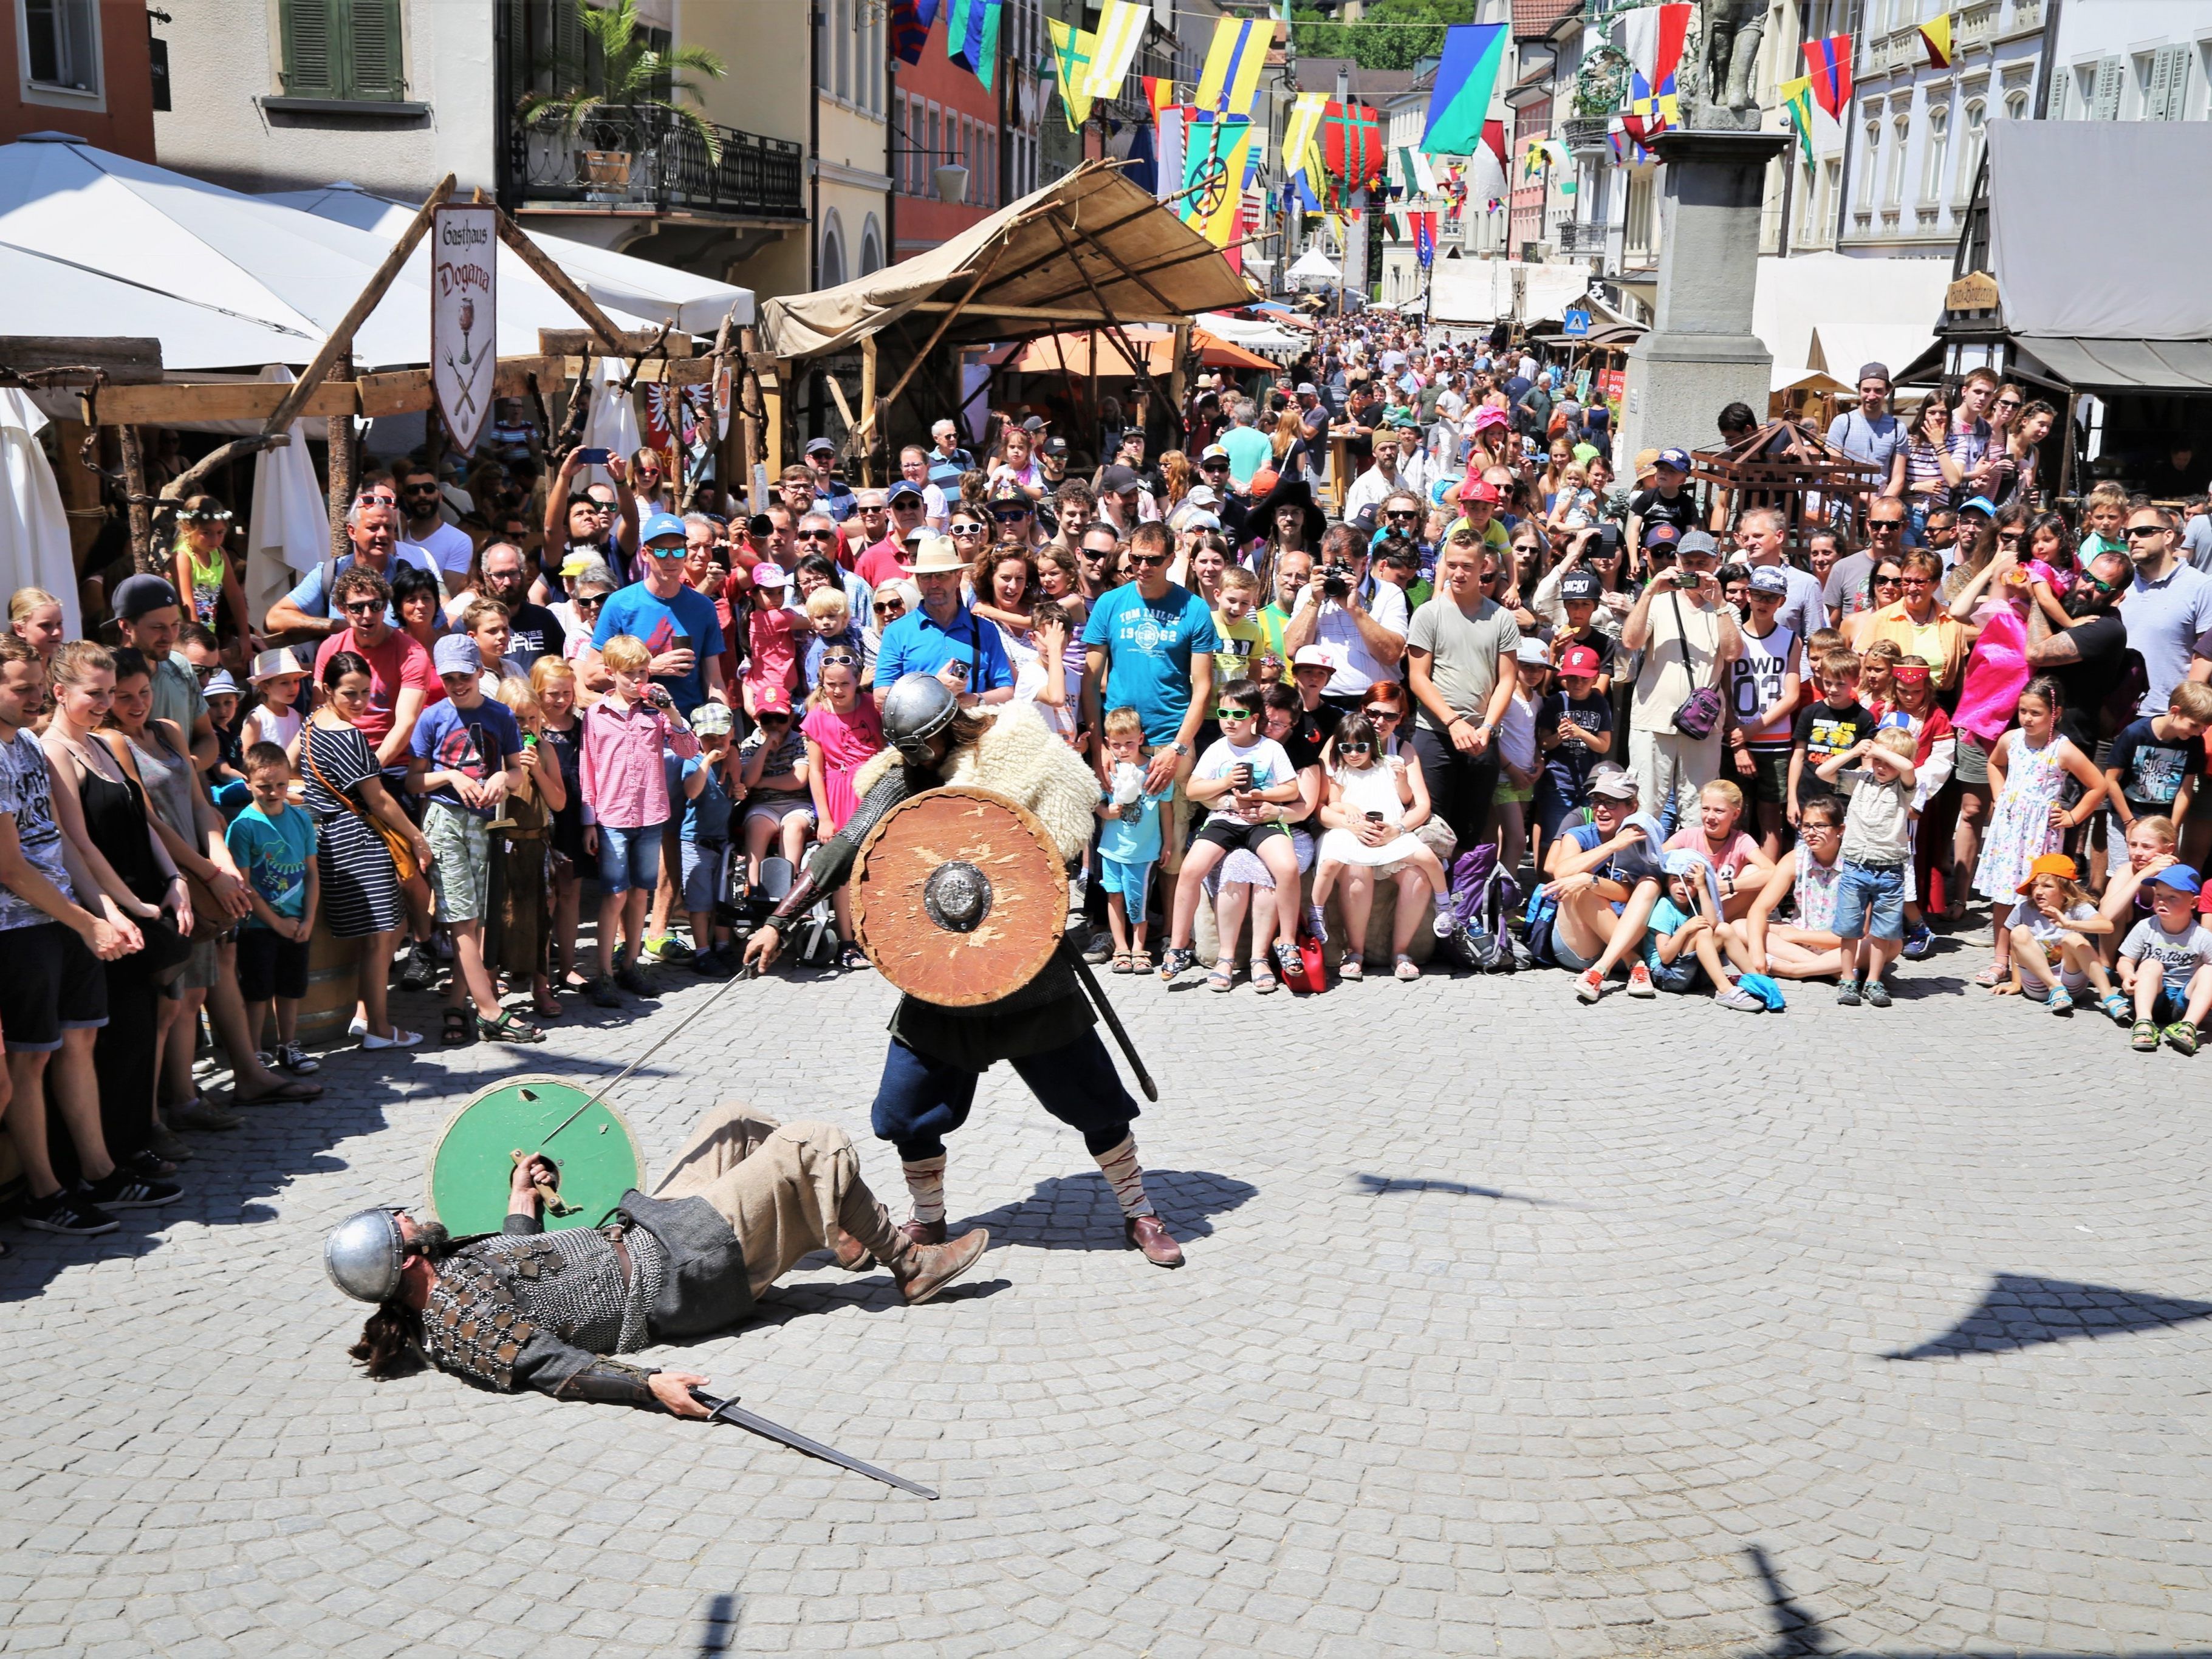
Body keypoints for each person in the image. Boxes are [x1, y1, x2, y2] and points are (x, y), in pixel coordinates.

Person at [744, 677, 1186, 1267]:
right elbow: (845, 847)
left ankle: (1139, 1210)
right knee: (903, 1111)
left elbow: (1047, 851)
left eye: (922, 747)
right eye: (907, 751)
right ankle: (928, 1219)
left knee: (1097, 1102)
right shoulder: (904, 778)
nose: (917, 759)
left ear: (948, 728)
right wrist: (779, 920)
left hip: (1026, 969)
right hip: (943, 975)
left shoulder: (1018, 755)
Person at [326, 1103, 995, 1408]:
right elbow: (553, 1366)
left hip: (650, 1232)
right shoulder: (461, 1321)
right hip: (680, 1273)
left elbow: (521, 1259)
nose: (412, 1215)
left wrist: (520, 1195)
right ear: (406, 1258)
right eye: (402, 1222)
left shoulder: (451, 1276)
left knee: (732, 1124)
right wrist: (650, 1386)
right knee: (813, 1141)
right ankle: (910, 1264)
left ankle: (836, 1217)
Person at [0, 637, 176, 1236]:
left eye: (35, 686)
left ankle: (99, 1172)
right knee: (30, 1060)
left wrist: (107, 909)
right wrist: (90, 919)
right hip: (18, 927)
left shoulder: (27, 745)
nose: (33, 698)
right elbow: (11, 867)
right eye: (21, 688)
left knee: (79, 1042)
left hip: (66, 916)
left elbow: (63, 844)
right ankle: (45, 1192)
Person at [409, 635, 544, 1047]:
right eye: (448, 678)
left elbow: (516, 772)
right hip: (445, 819)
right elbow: (414, 781)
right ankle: (489, 1011)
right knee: (462, 919)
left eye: (464, 676)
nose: (456, 685)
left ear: (479, 673)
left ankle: (456, 1004)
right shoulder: (432, 717)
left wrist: (504, 776)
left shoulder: (500, 714)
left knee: (477, 920)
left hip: (486, 823)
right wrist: (451, 776)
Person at [1081, 521, 1217, 864]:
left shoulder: (1195, 608)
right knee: (1118, 845)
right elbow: (1090, 680)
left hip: (1171, 738)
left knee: (1172, 850)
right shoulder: (1109, 603)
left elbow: (1203, 686)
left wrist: (1178, 749)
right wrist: (1099, 747)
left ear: (1171, 559)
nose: (1143, 567)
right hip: (1119, 740)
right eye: (1136, 558)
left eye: (1153, 560)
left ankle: (1170, 904)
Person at [1163, 680, 1306, 992]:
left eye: (1238, 715)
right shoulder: (1218, 748)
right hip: (1225, 820)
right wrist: (1226, 784)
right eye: (1223, 713)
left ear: (1254, 718)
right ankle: (1178, 945)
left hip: (1260, 820)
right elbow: (1193, 789)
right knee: (1190, 869)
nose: (1229, 720)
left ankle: (1287, 942)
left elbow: (1291, 789)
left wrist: (1262, 795)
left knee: (1287, 867)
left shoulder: (1271, 749)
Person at [579, 634, 699, 1007]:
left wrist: (671, 712)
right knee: (615, 894)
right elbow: (587, 767)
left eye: (643, 673)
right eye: (629, 673)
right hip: (612, 815)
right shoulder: (596, 715)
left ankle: (631, 964)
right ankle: (603, 972)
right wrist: (588, 820)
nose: (637, 680)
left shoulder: (654, 713)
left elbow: (689, 750)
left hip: (650, 813)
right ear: (611, 673)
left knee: (639, 894)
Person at [1971, 676, 2109, 988]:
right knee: (2004, 894)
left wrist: (2073, 816)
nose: (2028, 719)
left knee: (2038, 894)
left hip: (2040, 834)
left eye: (2036, 713)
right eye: (2023, 711)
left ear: (2055, 714)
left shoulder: (2063, 749)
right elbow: (1995, 764)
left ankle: (2038, 958)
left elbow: (2098, 785)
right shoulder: (2011, 740)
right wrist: (2000, 795)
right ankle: (2000, 960)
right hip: (2009, 830)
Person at [1309, 713, 1453, 982]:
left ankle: (1439, 912)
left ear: (1372, 745)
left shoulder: (1390, 764)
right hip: (1352, 835)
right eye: (1346, 748)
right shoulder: (1339, 771)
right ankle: (1346, 943)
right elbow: (1330, 804)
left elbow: (1408, 799)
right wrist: (1347, 810)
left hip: (1391, 832)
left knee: (1425, 861)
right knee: (1347, 867)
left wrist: (1401, 780)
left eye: (1360, 747)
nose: (1353, 753)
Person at [1405, 530, 1520, 853]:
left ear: (1483, 566)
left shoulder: (1501, 618)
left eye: (1467, 566)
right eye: (1452, 564)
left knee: (1471, 834)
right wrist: (1453, 722)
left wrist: (1488, 727)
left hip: (1482, 738)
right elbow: (1418, 678)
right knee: (1429, 833)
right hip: (1436, 736)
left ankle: (1464, 888)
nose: (1458, 573)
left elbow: (1507, 680)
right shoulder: (1428, 614)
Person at [1620, 528, 1741, 829]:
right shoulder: (1658, 602)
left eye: (1703, 563)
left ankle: (1689, 861)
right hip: (1652, 720)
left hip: (1702, 725)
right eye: (1688, 563)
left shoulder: (1726, 610)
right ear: (1677, 562)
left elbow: (1732, 654)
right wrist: (1651, 589)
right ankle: (1639, 861)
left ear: (1717, 562)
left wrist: (1720, 604)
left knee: (1698, 811)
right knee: (1645, 806)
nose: (1695, 570)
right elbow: (1631, 641)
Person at [226, 739, 320, 1069]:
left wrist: (308, 919)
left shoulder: (300, 820)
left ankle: (288, 1045)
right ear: (248, 783)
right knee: (258, 991)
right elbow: (244, 884)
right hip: (259, 925)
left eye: (281, 785)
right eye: (264, 786)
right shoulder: (243, 827)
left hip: (296, 922)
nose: (274, 792)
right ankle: (253, 1052)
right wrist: (276, 922)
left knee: (291, 988)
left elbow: (311, 874)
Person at [1541, 762, 1666, 1001]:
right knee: (1579, 887)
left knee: (1650, 883)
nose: (1601, 809)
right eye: (1597, 801)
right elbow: (1561, 873)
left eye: (1611, 803)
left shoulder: (1642, 840)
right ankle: (1634, 962)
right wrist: (1613, 846)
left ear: (1632, 807)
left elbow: (1632, 894)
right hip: (1581, 946)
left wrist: (1591, 880)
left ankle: (1602, 969)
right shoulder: (1578, 835)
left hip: (1624, 939)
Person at [1815, 727, 1917, 1008]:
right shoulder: (1859, 780)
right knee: (1850, 927)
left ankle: (1874, 979)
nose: (1881, 766)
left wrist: (1879, 750)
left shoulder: (1904, 787)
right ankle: (1848, 978)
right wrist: (1856, 751)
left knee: (1883, 931)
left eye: (1888, 762)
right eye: (1877, 761)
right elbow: (1823, 772)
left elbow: (1909, 767)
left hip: (1889, 869)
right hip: (1855, 866)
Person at [594, 512, 730, 717]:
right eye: (660, 551)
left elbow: (715, 682)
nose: (670, 559)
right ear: (645, 554)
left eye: (677, 551)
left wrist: (722, 724)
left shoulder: (703, 607)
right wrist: (649, 668)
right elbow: (592, 675)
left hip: (687, 723)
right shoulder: (620, 603)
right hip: (636, 722)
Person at [1279, 525, 1409, 711]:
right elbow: (1293, 650)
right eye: (1330, 566)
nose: (1337, 574)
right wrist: (1314, 601)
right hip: (1323, 702)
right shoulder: (1310, 592)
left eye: (1345, 567)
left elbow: (1390, 655)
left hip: (1376, 704)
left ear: (1364, 564)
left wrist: (1355, 610)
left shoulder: (1389, 593)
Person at [265, 499, 437, 638]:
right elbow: (275, 618)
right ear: (352, 532)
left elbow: (438, 629)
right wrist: (340, 626)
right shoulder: (330, 573)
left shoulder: (407, 576)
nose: (383, 534)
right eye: (373, 528)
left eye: (388, 528)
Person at [1993, 852, 2117, 1017]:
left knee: (2074, 938)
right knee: (2019, 932)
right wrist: (2016, 983)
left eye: (2047, 886)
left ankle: (2108, 996)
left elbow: (2107, 927)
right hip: (2037, 984)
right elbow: (2015, 948)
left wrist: (2069, 924)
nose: (2038, 891)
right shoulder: (2024, 908)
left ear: (2065, 890)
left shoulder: (2078, 907)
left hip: (2071, 983)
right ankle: (2055, 987)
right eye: (2035, 885)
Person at [1094, 706, 1170, 973]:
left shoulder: (1154, 770)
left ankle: (1139, 948)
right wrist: (1106, 812)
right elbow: (1096, 803)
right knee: (1114, 896)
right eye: (1116, 745)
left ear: (1141, 738)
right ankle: (1121, 948)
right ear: (1108, 743)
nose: (1123, 750)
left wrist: (1168, 843)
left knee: (1138, 902)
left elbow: (1166, 808)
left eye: (1129, 743)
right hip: (1112, 849)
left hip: (1143, 851)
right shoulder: (1109, 772)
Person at [2119, 505, 2212, 717]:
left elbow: (2206, 655)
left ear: (2168, 536)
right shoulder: (2121, 582)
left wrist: (2188, 710)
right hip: (2114, 715)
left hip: (2168, 717)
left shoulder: (2201, 586)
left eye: (2143, 531)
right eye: (2127, 533)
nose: (2132, 539)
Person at [2115, 865, 2212, 1055]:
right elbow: (2125, 960)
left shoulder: (2202, 936)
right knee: (2150, 964)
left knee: (2210, 970)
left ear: (2194, 903)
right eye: (2158, 895)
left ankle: (2187, 1027)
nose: (2162, 901)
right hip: (2151, 997)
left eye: (2172, 897)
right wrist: (2127, 975)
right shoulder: (2145, 927)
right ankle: (2143, 1023)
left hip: (2184, 1002)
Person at [1788, 648, 1877, 824]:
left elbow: (1867, 767)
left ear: (1856, 682)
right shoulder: (1810, 712)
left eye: (1841, 684)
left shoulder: (1864, 718)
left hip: (1844, 802)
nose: (1833, 689)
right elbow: (1798, 757)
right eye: (1828, 683)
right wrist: (1792, 799)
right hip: (1809, 797)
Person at [1826, 364, 1906, 496]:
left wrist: (1882, 505)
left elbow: (1898, 478)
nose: (1871, 396)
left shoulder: (1898, 428)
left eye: (1878, 390)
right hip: (1843, 506)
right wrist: (1869, 499)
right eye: (1866, 390)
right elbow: (1833, 472)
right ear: (1859, 390)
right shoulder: (1842, 423)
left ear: (1887, 391)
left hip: (1880, 505)